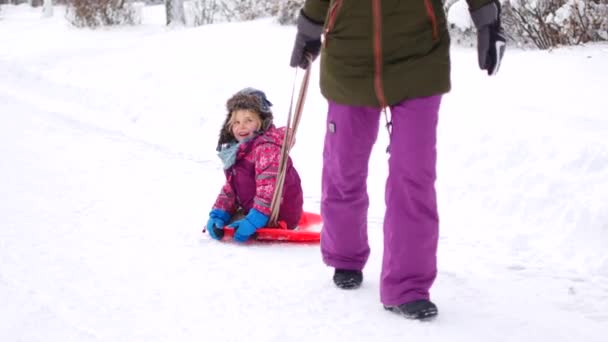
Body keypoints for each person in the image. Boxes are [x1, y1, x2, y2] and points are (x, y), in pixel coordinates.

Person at [289, 0, 506, 319]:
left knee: (413, 174)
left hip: (418, 59)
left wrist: (488, 21)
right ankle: (344, 254)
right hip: (349, 60)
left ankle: (408, 286)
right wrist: (309, 28)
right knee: (343, 167)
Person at [206, 88, 304, 242]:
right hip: (254, 209)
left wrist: (256, 219)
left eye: (248, 120)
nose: (242, 126)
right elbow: (231, 188)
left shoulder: (267, 148)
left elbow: (268, 189)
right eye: (236, 122)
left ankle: (257, 216)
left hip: (277, 214)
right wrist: (219, 212)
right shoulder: (240, 151)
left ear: (262, 123)